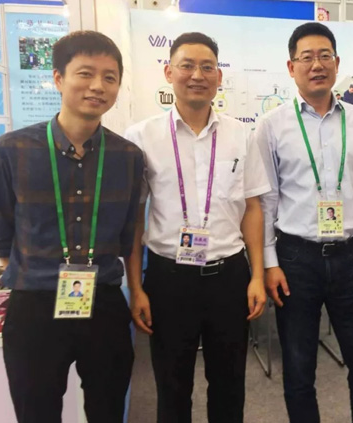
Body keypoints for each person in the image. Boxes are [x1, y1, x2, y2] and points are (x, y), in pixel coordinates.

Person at [0, 31, 143, 422]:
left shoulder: (128, 156)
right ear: (58, 78)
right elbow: (1, 233)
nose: (98, 86)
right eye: (85, 73)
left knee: (108, 411)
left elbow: (127, 234)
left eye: (109, 77)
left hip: (104, 301)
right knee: (37, 412)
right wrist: (33, 273)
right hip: (35, 304)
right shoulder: (11, 150)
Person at [124, 32, 270, 423]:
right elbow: (134, 219)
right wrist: (136, 287)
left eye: (207, 67)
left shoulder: (241, 135)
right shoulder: (141, 138)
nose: (197, 75)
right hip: (169, 280)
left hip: (229, 277)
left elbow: (252, 208)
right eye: (187, 65)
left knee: (230, 384)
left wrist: (257, 276)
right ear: (169, 72)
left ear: (219, 76)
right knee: (172, 388)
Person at [255, 22, 353, 423]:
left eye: (325, 56)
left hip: (350, 258)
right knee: (299, 371)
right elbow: (266, 200)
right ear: (291, 66)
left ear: (337, 63)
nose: (317, 65)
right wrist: (270, 262)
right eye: (307, 57)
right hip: (296, 260)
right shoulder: (272, 125)